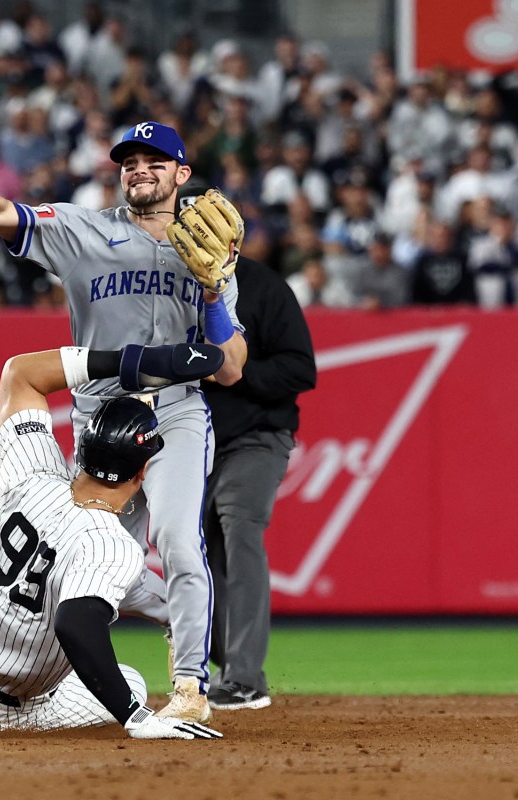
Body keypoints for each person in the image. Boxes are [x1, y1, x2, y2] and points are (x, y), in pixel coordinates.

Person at [0, 120, 249, 723]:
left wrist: (212, 290)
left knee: (175, 538)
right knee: (87, 556)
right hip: (99, 417)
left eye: (155, 160)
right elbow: (1, 215)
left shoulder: (207, 249)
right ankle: (173, 619)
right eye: (130, 161)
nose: (140, 169)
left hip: (174, 410)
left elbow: (230, 370)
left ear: (182, 174)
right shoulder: (83, 230)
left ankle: (192, 684)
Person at [0, 342, 227, 738]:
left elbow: (20, 374)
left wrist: (131, 361)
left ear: (84, 447)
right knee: (131, 683)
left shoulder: (34, 470)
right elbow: (75, 624)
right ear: (142, 473)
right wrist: (134, 717)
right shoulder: (111, 545)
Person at [202, 251, 316, 711]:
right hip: (196, 440)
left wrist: (233, 370)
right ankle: (225, 658)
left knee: (240, 529)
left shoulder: (262, 285)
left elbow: (299, 369)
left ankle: (244, 676)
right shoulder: (166, 285)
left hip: (257, 436)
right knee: (193, 545)